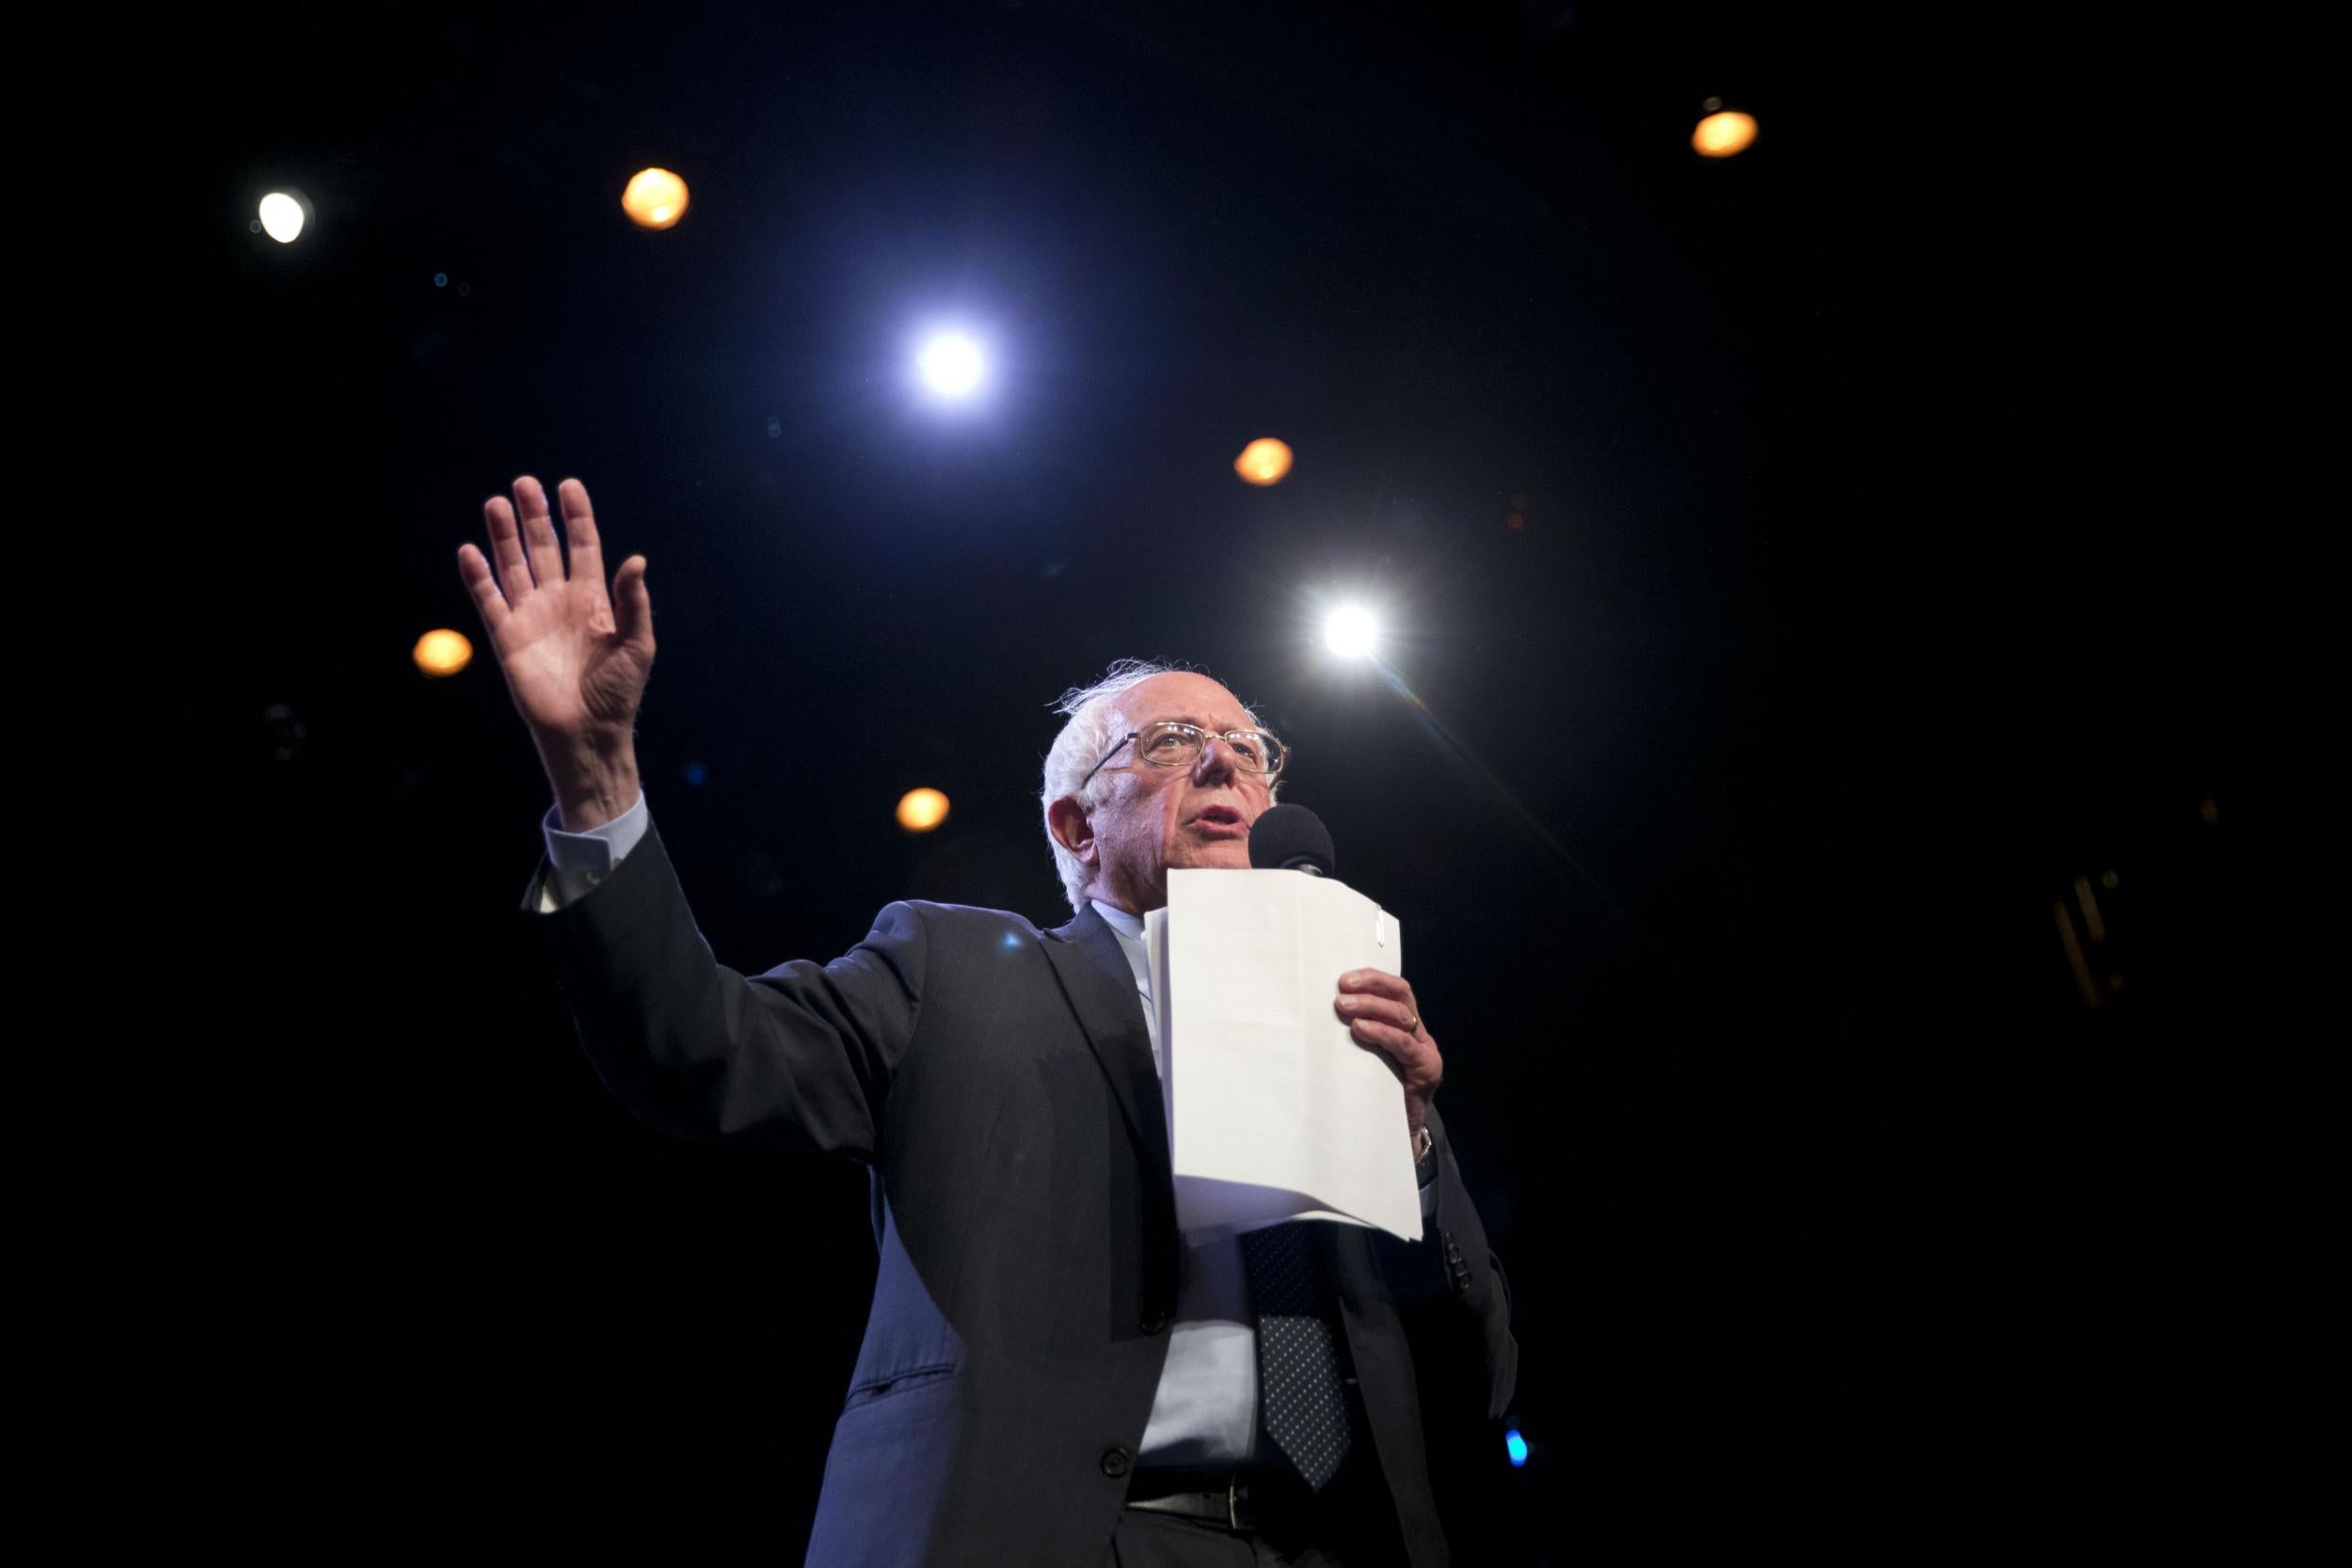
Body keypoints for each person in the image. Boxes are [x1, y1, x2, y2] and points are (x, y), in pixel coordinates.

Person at [458, 475, 1517, 1566]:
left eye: (1250, 748)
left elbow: (1469, 1382)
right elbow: (690, 1045)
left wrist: (1415, 1144)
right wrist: (595, 781)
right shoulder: (952, 970)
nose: (1223, 763)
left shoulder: (1352, 1034)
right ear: (1076, 825)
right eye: (1171, 742)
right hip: (1051, 1534)